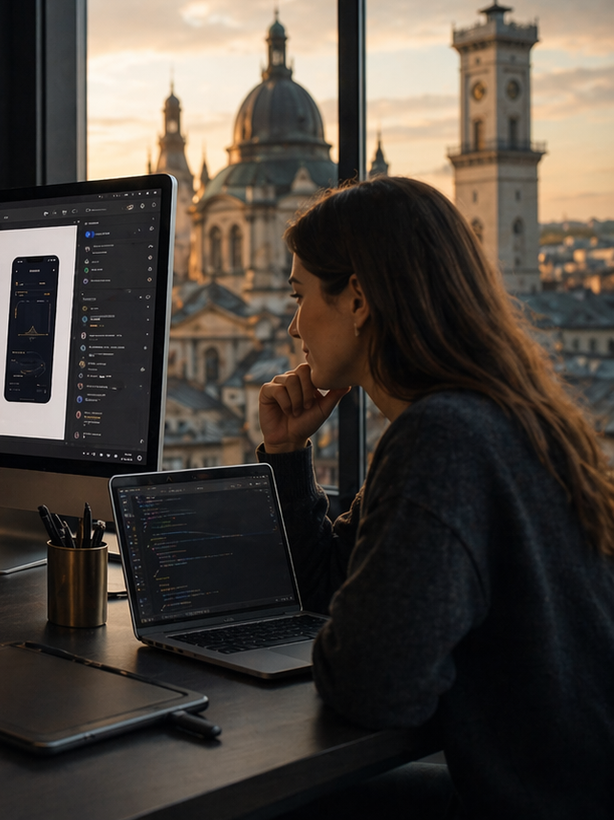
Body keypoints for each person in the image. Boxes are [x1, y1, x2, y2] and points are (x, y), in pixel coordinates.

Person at [257, 176, 614, 817]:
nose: (292, 324)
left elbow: (373, 686)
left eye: (300, 295)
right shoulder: (493, 416)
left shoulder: (440, 441)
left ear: (359, 300)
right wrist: (287, 456)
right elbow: (331, 586)